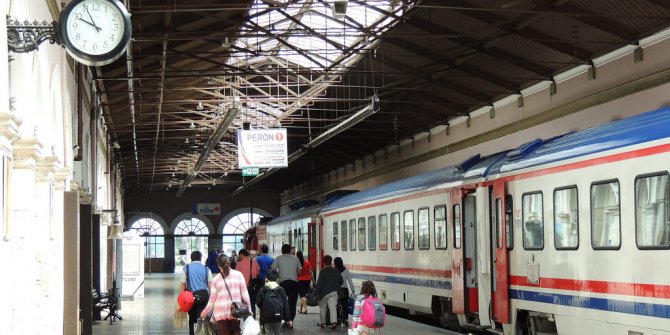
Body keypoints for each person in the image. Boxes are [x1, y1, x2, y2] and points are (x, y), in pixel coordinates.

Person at [201, 254, 252, 335]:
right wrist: (249, 309)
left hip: (220, 312)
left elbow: (212, 300)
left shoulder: (216, 279)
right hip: (236, 311)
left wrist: (204, 312)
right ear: (229, 263)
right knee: (236, 332)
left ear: (218, 265)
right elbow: (245, 294)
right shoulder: (238, 275)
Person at [180, 251, 213, 335]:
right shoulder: (207, 269)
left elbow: (182, 284)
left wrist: (181, 298)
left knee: (192, 318)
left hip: (191, 297)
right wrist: (212, 298)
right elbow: (210, 285)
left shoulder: (186, 268)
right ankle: (201, 332)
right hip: (204, 296)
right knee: (202, 317)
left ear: (191, 258)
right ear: (201, 258)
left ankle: (193, 333)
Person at [271, 244, 301, 327]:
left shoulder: (279, 258)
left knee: (281, 302)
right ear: (290, 251)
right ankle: (290, 320)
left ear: (282, 250)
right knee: (292, 302)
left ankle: (284, 319)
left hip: (282, 283)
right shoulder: (295, 259)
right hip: (293, 283)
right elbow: (299, 271)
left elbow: (273, 269)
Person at [256, 269, 291, 334]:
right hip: (278, 316)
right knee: (278, 332)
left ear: (267, 279)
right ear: (277, 279)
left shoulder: (263, 289)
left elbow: (258, 303)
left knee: (269, 332)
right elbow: (286, 304)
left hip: (267, 316)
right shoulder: (281, 289)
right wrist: (288, 319)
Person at [315, 255, 343, 330]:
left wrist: (316, 292)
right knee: (333, 307)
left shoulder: (322, 272)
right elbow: (341, 281)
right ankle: (333, 323)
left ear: (324, 262)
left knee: (322, 308)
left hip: (323, 294)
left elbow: (319, 284)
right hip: (334, 292)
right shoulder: (336, 271)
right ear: (331, 262)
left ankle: (323, 323)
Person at [236, 249, 260, 318]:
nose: (239, 257)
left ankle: (246, 321)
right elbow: (258, 272)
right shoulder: (254, 262)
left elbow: (236, 276)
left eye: (239, 256)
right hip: (253, 287)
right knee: (252, 304)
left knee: (244, 305)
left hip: (243, 288)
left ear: (241, 255)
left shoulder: (239, 264)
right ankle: (252, 319)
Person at [334, 257, 355, 321]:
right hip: (345, 290)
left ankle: (338, 318)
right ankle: (345, 319)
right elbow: (349, 280)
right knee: (345, 304)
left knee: (336, 304)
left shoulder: (334, 270)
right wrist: (352, 289)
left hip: (336, 290)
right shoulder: (346, 270)